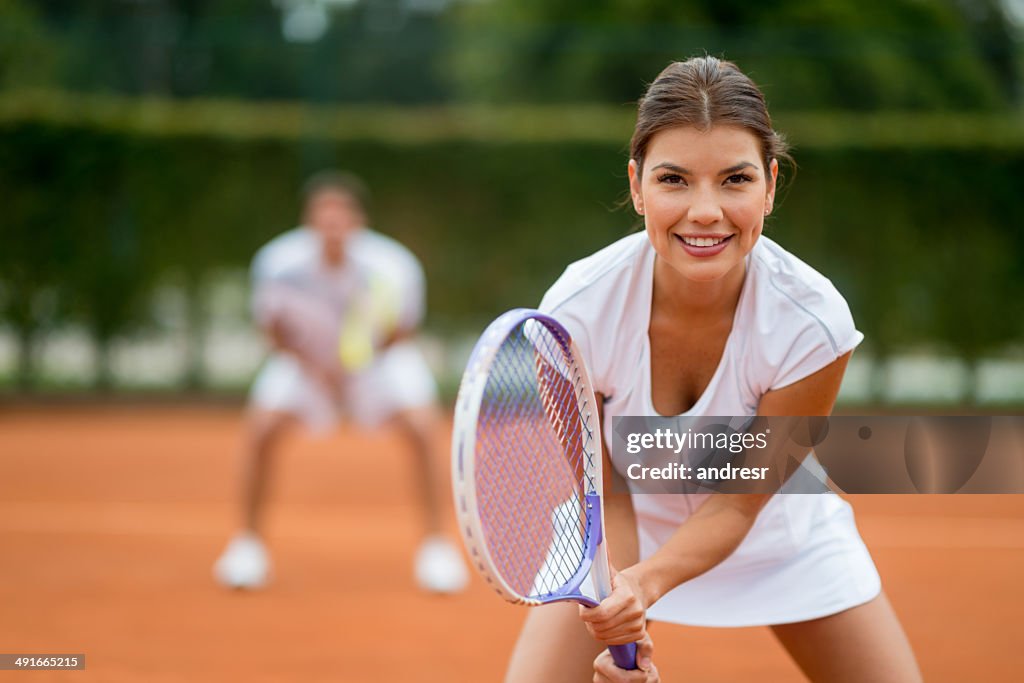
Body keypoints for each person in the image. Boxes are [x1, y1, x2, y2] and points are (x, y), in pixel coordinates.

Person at [508, 57, 922, 682]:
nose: (706, 211)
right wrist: (620, 602)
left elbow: (737, 505)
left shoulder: (813, 322)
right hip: (615, 534)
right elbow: (605, 491)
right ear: (637, 184)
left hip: (776, 534)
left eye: (735, 179)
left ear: (770, 186)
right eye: (674, 179)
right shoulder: (573, 313)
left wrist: (645, 587)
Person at [213, 170, 468, 595]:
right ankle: (247, 547)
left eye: (341, 216)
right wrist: (320, 370)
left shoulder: (393, 264)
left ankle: (436, 548)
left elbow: (401, 329)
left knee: (423, 430)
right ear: (308, 222)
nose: (333, 225)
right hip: (304, 366)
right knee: (261, 430)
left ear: (358, 221)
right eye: (323, 216)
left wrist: (358, 365)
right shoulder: (277, 264)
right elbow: (273, 330)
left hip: (379, 365)